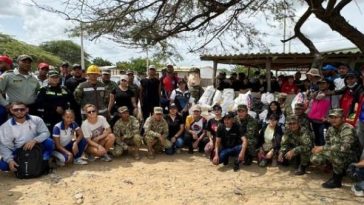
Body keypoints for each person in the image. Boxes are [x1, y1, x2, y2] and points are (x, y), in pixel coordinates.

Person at [311, 108, 359, 188]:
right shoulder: (331, 129)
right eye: (331, 117)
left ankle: (337, 180)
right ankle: (335, 170)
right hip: (338, 153)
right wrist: (319, 149)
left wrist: (323, 148)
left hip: (351, 156)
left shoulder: (347, 129)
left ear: (343, 118)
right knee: (316, 157)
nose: (333, 120)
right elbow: (328, 144)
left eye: (336, 117)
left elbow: (344, 147)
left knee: (334, 153)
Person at [0, 102, 54, 172]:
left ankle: (44, 160)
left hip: (35, 146)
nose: (19, 112)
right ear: (11, 110)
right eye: (16, 110)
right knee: (3, 166)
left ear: (27, 110)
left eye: (22, 109)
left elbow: (46, 133)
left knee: (49, 142)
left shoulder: (36, 119)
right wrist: (10, 160)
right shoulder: (5, 127)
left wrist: (34, 140)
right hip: (18, 150)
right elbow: (3, 146)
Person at [307, 78, 331, 146]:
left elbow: (335, 107)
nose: (321, 85)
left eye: (323, 83)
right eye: (320, 83)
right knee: (316, 138)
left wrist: (328, 118)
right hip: (314, 121)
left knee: (323, 139)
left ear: (328, 85)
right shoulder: (316, 93)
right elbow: (311, 106)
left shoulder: (331, 94)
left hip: (324, 122)